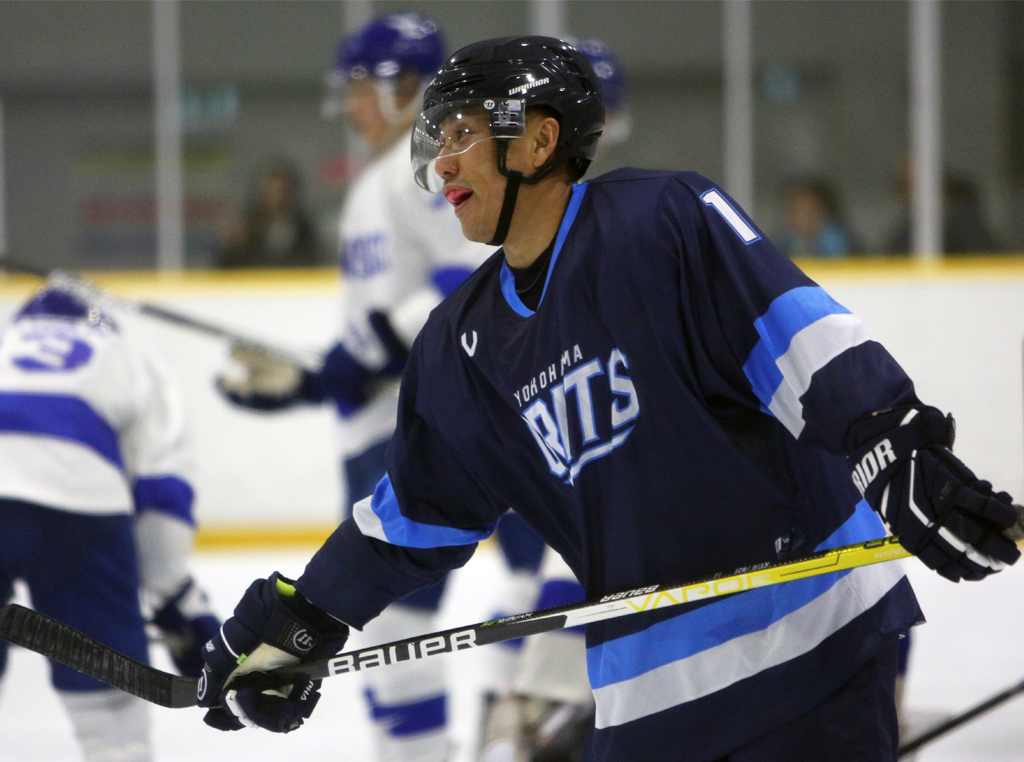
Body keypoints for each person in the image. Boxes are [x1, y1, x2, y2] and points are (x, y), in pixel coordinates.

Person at [199, 37, 1021, 762]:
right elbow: (415, 512)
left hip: (809, 650)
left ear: (539, 139)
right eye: (436, 143)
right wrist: (305, 613)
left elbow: (802, 341)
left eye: (462, 136)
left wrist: (893, 442)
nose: (441, 165)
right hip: (648, 696)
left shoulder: (661, 221)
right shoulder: (459, 345)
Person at [215, 13, 503, 762]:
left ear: (406, 88)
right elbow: (385, 324)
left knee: (402, 634)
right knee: (385, 638)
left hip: (409, 431)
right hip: (377, 426)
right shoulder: (378, 183)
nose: (348, 106)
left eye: (358, 88)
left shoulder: (426, 168)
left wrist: (366, 353)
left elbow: (471, 285)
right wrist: (311, 382)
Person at [0, 285, 219, 762]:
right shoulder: (129, 355)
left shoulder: (3, 344)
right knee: (111, 719)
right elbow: (162, 490)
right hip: (77, 499)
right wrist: (176, 601)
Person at [218, 159, 323, 268]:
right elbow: (226, 269)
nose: (275, 198)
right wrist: (234, 247)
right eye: (269, 192)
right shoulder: (245, 226)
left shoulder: (302, 227)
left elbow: (309, 263)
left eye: (281, 191)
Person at [774, 178, 857, 259]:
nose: (800, 213)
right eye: (794, 210)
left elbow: (838, 266)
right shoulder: (787, 239)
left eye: (807, 208)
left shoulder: (834, 238)